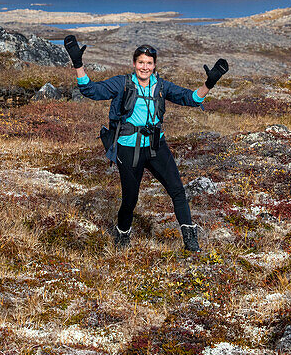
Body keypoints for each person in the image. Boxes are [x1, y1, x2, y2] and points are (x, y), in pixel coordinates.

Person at [64, 36, 228, 252]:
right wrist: (78, 64)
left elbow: (191, 98)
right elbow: (91, 91)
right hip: (128, 147)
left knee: (178, 190)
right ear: (134, 64)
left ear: (154, 66)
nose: (145, 67)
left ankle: (190, 242)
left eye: (149, 63)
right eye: (141, 62)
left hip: (156, 146)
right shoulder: (121, 83)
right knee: (130, 199)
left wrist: (210, 82)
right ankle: (122, 237)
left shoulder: (161, 86)